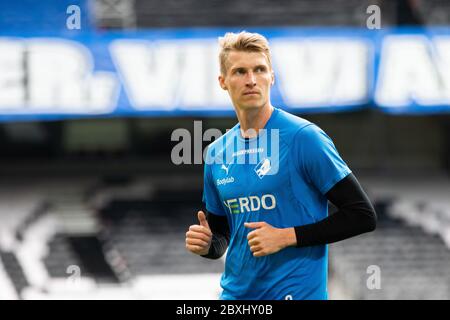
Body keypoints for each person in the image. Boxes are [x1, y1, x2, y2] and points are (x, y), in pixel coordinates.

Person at [185, 31, 377, 300]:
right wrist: (208, 245)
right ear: (223, 81)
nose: (251, 80)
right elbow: (222, 236)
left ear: (271, 76)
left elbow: (362, 215)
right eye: (240, 71)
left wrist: (287, 236)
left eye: (259, 69)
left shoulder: (304, 138)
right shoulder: (217, 153)